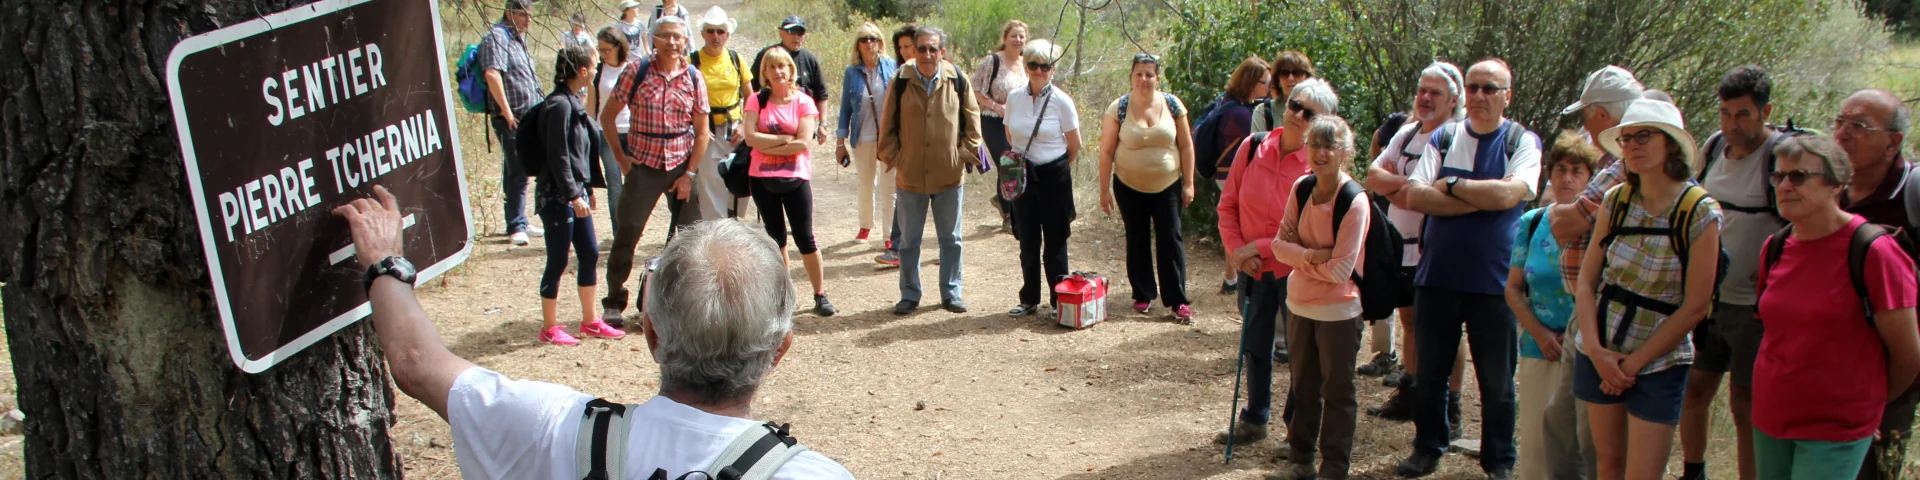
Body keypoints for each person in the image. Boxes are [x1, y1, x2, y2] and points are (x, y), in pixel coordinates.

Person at [330, 188, 854, 478]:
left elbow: (416, 363)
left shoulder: (553, 427)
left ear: (650, 334)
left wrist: (384, 263)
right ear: (778, 351)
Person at [1394, 58, 1541, 480]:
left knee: (1497, 382)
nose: (1479, 96)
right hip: (1437, 276)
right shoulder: (1444, 135)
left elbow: (1515, 191)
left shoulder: (1521, 141)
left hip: (1496, 284)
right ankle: (1427, 447)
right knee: (1431, 374)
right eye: (1473, 87)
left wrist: (1454, 186)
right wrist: (1490, 198)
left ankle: (1499, 461)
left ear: (1506, 96)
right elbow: (1416, 196)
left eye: (1489, 89)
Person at [1753, 134, 1920, 480]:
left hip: (1837, 427)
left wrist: (1868, 409)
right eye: (1778, 176)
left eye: (1798, 176)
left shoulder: (1874, 251)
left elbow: (1908, 354)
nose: (1784, 185)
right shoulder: (1776, 246)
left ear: (1835, 185)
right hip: (1771, 417)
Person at [1572, 99, 1723, 480]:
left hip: (1661, 358)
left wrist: (1632, 366)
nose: (1633, 145)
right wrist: (1595, 351)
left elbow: (1695, 306)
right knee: (1607, 465)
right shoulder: (1616, 200)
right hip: (1602, 347)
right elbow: (1588, 281)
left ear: (1671, 143)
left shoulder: (1699, 211)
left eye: (1644, 136)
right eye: (1626, 139)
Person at [1679, 65, 1792, 480]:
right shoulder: (1711, 149)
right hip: (1707, 299)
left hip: (1756, 308)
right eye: (1725, 113)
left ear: (1766, 111)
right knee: (1695, 388)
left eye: (1742, 114)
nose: (1732, 124)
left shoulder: (1780, 160)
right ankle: (1694, 472)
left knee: (1745, 404)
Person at [1543, 65, 1647, 480]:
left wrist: (1558, 208)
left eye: (1588, 114)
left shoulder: (1622, 167)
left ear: (1603, 115)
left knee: (1589, 434)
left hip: (1607, 317)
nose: (1585, 123)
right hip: (1585, 311)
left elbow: (1564, 223)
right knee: (1562, 421)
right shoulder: (1611, 164)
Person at [1213, 78, 1327, 449]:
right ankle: (1255, 419)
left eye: (1309, 113)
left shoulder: (1318, 168)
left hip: (1295, 273)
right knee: (1255, 345)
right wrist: (1236, 250)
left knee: (1301, 354)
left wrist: (1255, 247)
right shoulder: (1253, 146)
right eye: (1295, 105)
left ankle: (1298, 429)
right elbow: (1227, 206)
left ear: (1322, 120)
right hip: (1252, 271)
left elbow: (1306, 231)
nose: (1298, 115)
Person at [1360, 61, 1469, 424]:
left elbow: (1436, 194)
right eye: (1422, 90)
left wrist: (1403, 188)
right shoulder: (1406, 133)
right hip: (1400, 245)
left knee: (1445, 328)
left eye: (1435, 92)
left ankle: (1449, 405)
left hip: (1437, 248)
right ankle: (1410, 392)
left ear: (1453, 100)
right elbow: (1374, 175)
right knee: (1408, 319)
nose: (1425, 98)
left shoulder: (1460, 138)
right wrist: (1410, 190)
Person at [1266, 114, 1370, 480]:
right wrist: (1315, 256)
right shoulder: (1301, 188)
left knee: (1338, 391)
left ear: (1344, 152)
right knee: (1303, 386)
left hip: (1339, 310)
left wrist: (1301, 255)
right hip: (1300, 305)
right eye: (1315, 144)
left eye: (1329, 146)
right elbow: (1279, 247)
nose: (1321, 153)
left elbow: (1341, 271)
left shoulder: (1354, 202)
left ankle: (1334, 469)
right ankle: (1301, 461)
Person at [600, 16, 710, 322]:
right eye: (665, 36)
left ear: (686, 40)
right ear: (654, 39)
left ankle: (689, 303)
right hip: (644, 164)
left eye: (678, 36)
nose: (672, 42)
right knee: (628, 231)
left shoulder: (693, 77)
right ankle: (614, 301)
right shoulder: (637, 71)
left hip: (681, 165)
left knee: (692, 237)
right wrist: (622, 159)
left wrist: (689, 175)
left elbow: (702, 132)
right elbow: (607, 118)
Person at [1836, 88, 1920, 480]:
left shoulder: (1912, 193)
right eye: (1839, 122)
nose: (1842, 133)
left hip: (1894, 365)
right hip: (1829, 363)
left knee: (1873, 470)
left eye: (1859, 126)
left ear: (1893, 143)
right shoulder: (1824, 189)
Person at [1507, 131, 1599, 479]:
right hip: (1538, 348)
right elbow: (1514, 289)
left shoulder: (1601, 224)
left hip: (1589, 351)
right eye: (1560, 169)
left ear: (1591, 179)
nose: (1567, 178)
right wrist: (1542, 335)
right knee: (1535, 444)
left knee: (1581, 447)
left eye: (1577, 171)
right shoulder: (1532, 223)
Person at [877, 26, 982, 316]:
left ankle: (952, 292)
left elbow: (973, 125)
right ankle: (909, 294)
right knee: (909, 241)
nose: (926, 54)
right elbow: (887, 127)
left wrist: (960, 156)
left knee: (952, 239)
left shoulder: (957, 79)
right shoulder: (901, 80)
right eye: (921, 48)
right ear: (914, 50)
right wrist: (897, 159)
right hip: (910, 176)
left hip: (948, 176)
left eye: (932, 49)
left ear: (942, 52)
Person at [530, 46, 625, 346]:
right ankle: (549, 327)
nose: (596, 70)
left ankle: (590, 321)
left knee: (589, 252)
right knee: (558, 259)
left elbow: (579, 153)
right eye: (594, 66)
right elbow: (558, 155)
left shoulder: (574, 103)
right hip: (557, 197)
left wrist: (588, 189)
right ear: (583, 71)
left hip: (575, 193)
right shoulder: (558, 105)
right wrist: (573, 194)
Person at [1098, 53, 1198, 323]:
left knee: (1171, 238)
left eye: (1149, 74)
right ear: (1131, 77)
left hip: (1167, 185)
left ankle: (1177, 299)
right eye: (1138, 74)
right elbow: (1106, 152)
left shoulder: (1173, 104)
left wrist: (1188, 183)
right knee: (1137, 237)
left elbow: (1187, 145)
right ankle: (1142, 294)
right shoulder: (1118, 108)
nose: (1144, 79)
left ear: (1157, 77)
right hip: (1129, 185)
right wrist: (1104, 190)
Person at [743, 48, 836, 317]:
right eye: (772, 67)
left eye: (783, 66)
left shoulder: (804, 101)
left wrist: (767, 143)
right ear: (765, 73)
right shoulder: (755, 101)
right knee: (776, 241)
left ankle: (820, 294)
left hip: (796, 178)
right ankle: (783, 297)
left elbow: (803, 143)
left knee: (806, 239)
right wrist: (785, 141)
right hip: (761, 179)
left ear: (791, 69)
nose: (778, 71)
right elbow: (750, 138)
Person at [1003, 39, 1080, 318]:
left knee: (1056, 240)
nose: (1038, 71)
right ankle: (1029, 299)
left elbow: (1074, 144)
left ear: (1053, 68)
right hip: (1024, 176)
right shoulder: (1014, 98)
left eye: (1044, 65)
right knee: (1028, 239)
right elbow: (1010, 135)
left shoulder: (1062, 101)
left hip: (1054, 176)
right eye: (1033, 65)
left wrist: (1053, 166)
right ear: (1025, 66)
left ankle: (1059, 301)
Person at [477, 0, 545, 246]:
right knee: (516, 169)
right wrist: (506, 113)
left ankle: (522, 219)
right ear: (510, 12)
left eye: (530, 15)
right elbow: (492, 73)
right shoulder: (497, 37)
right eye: (523, 15)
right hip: (512, 117)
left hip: (528, 116)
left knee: (524, 168)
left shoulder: (518, 38)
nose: (528, 20)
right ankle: (515, 224)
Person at [1212, 56, 1271, 295]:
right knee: (1236, 221)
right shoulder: (1243, 114)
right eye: (1265, 82)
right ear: (1251, 82)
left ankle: (1231, 277)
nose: (1269, 87)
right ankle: (1233, 275)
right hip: (1230, 173)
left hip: (1225, 172)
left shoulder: (1228, 103)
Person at [838, 22, 900, 244]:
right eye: (864, 39)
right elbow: (845, 108)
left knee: (889, 186)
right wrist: (839, 142)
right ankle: (865, 226)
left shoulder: (892, 67)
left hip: (889, 138)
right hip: (862, 136)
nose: (869, 43)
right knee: (866, 183)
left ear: (880, 42)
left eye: (873, 38)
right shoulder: (851, 72)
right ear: (858, 45)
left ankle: (889, 235)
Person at [692, 6, 753, 221]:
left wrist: (745, 124)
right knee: (710, 184)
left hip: (734, 129)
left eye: (720, 31)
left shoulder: (736, 60)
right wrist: (697, 127)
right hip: (706, 132)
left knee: (740, 177)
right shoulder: (693, 62)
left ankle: (735, 225)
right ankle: (716, 233)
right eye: (710, 31)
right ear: (703, 34)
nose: (715, 36)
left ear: (727, 34)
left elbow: (750, 97)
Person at [974, 20, 1030, 235]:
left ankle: (1002, 200)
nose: (1017, 40)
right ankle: (1009, 216)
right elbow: (977, 90)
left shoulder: (1027, 64)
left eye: (1021, 36)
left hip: (1018, 122)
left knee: (1015, 163)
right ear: (1005, 38)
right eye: (1014, 35)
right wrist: (995, 106)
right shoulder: (993, 62)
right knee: (1007, 164)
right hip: (993, 120)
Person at [875, 23, 923, 268]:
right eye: (901, 47)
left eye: (909, 46)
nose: (905, 51)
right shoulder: (900, 75)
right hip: (906, 149)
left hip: (933, 151)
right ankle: (896, 247)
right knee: (903, 197)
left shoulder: (943, 74)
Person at [752, 15, 830, 145]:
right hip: (769, 128)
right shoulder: (767, 55)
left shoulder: (810, 60)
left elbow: (821, 94)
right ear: (781, 33)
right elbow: (751, 88)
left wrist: (823, 124)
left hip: (801, 127)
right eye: (792, 32)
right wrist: (750, 120)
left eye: (800, 32)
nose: (796, 36)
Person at [589, 27, 633, 230]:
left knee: (635, 184)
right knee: (614, 185)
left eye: (607, 49)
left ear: (619, 47)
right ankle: (619, 232)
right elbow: (591, 106)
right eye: (600, 49)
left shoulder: (633, 68)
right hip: (606, 133)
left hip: (633, 132)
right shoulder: (597, 72)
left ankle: (633, 227)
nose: (603, 54)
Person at [1250, 51, 1314, 132]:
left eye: (1297, 73)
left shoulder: (1319, 111)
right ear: (1278, 80)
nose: (1290, 78)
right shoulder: (1263, 112)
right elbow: (1257, 144)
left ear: (1307, 77)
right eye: (1285, 73)